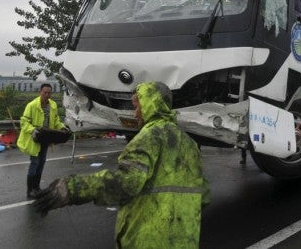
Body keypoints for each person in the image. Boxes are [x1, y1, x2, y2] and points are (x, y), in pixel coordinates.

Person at [34, 81, 211, 248]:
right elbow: (203, 195)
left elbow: (125, 184)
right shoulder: (190, 144)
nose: (136, 114)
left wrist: (72, 188)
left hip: (148, 240)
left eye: (137, 106)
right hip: (185, 241)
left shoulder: (148, 138)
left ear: (151, 104)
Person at [17, 83, 66, 199]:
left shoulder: (53, 105)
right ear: (40, 92)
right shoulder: (32, 105)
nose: (47, 95)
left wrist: (62, 127)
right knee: (34, 163)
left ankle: (37, 188)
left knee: (41, 163)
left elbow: (56, 121)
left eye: (49, 93)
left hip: (46, 138)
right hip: (35, 139)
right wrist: (32, 130)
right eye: (45, 92)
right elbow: (24, 122)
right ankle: (30, 191)